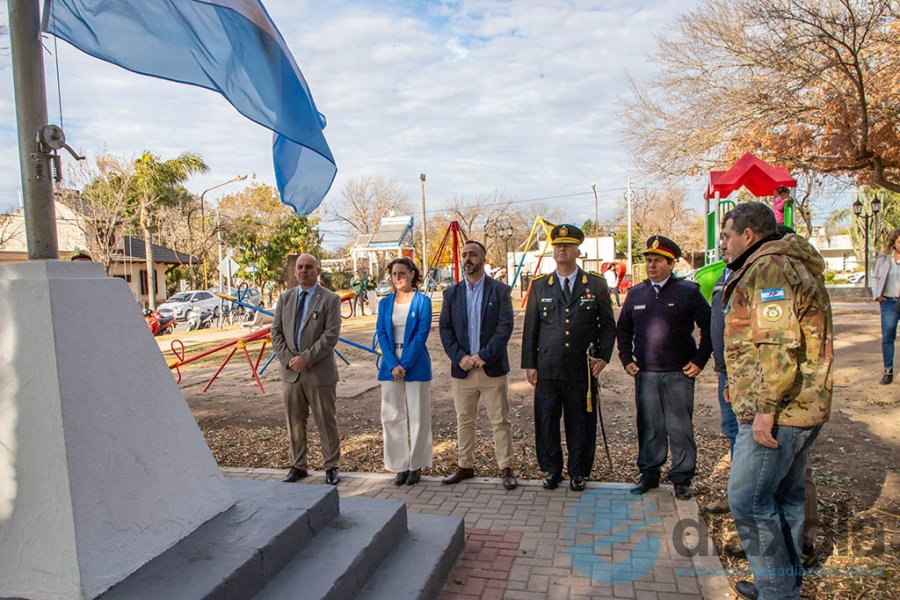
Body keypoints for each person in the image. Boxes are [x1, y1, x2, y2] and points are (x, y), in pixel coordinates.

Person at [721, 202, 833, 600]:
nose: (723, 244)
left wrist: (765, 410)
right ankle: (782, 584)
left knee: (747, 500)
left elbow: (778, 345)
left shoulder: (770, 268)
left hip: (780, 412)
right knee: (786, 497)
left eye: (727, 236)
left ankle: (777, 592)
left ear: (748, 235)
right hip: (799, 406)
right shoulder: (787, 262)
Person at [521, 224, 616, 492]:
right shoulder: (541, 285)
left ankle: (578, 471)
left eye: (567, 245)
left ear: (577, 251)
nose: (561, 249)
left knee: (580, 423)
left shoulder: (595, 284)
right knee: (547, 422)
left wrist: (603, 356)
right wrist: (529, 364)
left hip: (581, 369)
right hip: (548, 368)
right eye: (557, 246)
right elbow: (531, 328)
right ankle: (552, 469)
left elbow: (608, 325)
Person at [617, 236, 712, 501]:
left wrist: (700, 360)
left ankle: (682, 479)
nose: (651, 265)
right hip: (646, 373)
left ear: (671, 264)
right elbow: (623, 329)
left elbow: (709, 327)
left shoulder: (688, 292)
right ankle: (649, 474)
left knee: (679, 428)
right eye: (648, 260)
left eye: (658, 260)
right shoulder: (636, 293)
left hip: (679, 373)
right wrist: (626, 358)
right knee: (650, 426)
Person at [439, 240, 517, 490]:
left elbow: (505, 327)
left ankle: (506, 468)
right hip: (463, 370)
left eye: (472, 254)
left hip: (491, 369)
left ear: (484, 259)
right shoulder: (451, 293)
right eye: (464, 255)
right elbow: (445, 329)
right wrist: (459, 357)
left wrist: (484, 355)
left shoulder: (500, 291)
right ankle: (465, 466)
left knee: (500, 421)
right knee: (464, 420)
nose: (467, 259)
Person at [270, 254, 343, 485]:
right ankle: (298, 466)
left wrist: (306, 359)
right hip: (291, 374)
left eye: (309, 267)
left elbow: (330, 336)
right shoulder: (285, 298)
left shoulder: (330, 299)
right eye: (300, 267)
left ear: (317, 271)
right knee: (294, 422)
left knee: (326, 421)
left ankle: (331, 467)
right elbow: (275, 332)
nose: (304, 271)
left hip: (318, 373)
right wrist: (289, 360)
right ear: (295, 271)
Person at [376, 257, 433, 486]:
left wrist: (404, 364)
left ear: (412, 274)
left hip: (415, 364)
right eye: (394, 274)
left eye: (401, 272)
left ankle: (416, 465)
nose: (397, 277)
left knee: (419, 416)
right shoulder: (384, 303)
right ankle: (399, 465)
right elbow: (381, 334)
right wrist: (393, 364)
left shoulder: (423, 302)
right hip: (390, 367)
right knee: (391, 416)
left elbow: (421, 335)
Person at [871, 227, 900, 384]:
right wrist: (877, 294)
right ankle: (888, 371)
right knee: (888, 337)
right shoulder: (884, 258)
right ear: (894, 242)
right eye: (899, 242)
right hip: (888, 302)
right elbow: (875, 277)